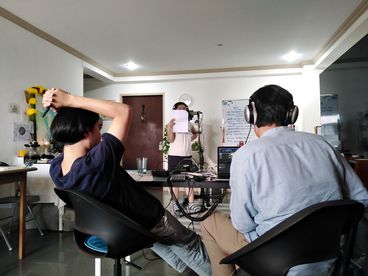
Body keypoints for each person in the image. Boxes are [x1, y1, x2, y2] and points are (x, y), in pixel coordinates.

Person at [200, 84, 368, 276]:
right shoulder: (322, 144)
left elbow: (242, 223)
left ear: (251, 116)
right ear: (292, 114)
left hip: (273, 257)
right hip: (328, 255)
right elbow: (360, 200)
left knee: (210, 222)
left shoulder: (246, 155)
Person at [43, 88, 211, 276]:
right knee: (191, 243)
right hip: (149, 219)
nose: (101, 133)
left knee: (160, 243)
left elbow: (71, 141)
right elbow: (123, 111)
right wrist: (70, 99)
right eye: (98, 128)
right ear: (84, 132)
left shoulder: (57, 169)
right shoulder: (98, 162)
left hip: (125, 228)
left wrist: (67, 112)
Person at [167, 102, 202, 213]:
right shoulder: (171, 123)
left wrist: (188, 141)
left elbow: (195, 134)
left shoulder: (189, 124)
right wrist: (171, 127)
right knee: (174, 182)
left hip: (187, 155)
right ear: (176, 110)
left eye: (184, 108)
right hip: (174, 155)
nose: (182, 109)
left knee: (189, 180)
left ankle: (191, 204)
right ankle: (175, 204)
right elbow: (171, 140)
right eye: (180, 108)